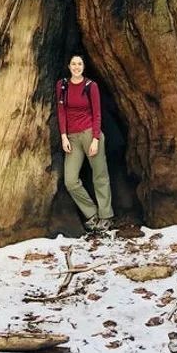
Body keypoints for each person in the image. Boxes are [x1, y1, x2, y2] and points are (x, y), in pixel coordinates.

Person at [56, 54, 114, 232]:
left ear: (83, 66)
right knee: (70, 180)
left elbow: (97, 113)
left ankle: (106, 216)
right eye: (73, 63)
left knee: (100, 176)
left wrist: (96, 138)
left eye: (79, 64)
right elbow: (61, 111)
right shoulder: (62, 85)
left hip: (90, 134)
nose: (76, 67)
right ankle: (92, 213)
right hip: (72, 138)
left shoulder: (91, 86)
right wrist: (64, 136)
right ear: (68, 66)